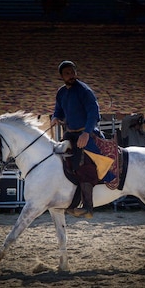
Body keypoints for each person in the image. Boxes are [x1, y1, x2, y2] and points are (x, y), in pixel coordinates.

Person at [50, 60, 105, 218]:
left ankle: (88, 207)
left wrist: (86, 133)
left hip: (87, 134)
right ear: (61, 76)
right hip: (70, 134)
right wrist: (55, 117)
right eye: (67, 73)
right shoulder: (61, 92)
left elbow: (93, 112)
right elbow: (58, 110)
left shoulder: (84, 90)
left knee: (84, 166)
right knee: (60, 160)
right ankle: (66, 201)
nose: (71, 75)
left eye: (73, 72)